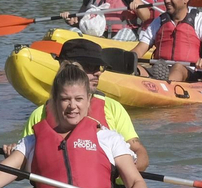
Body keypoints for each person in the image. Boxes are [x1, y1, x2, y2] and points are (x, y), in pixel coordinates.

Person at [0, 62, 151, 188]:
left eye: (79, 99)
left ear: (89, 99)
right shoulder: (32, 141)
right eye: (65, 99)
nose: (72, 106)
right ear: (54, 102)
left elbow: (137, 183)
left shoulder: (109, 139)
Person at [20, 39, 148, 170]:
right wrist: (13, 154)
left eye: (99, 67)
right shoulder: (39, 115)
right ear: (69, 69)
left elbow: (139, 151)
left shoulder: (113, 108)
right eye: (90, 67)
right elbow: (21, 166)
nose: (98, 72)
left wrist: (128, 167)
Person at [133, 0, 202, 83]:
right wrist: (127, 59)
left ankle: (164, 86)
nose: (166, 0)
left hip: (188, 72)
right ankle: (155, 82)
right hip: (160, 69)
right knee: (136, 69)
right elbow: (139, 50)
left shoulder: (199, 19)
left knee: (178, 67)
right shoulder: (159, 21)